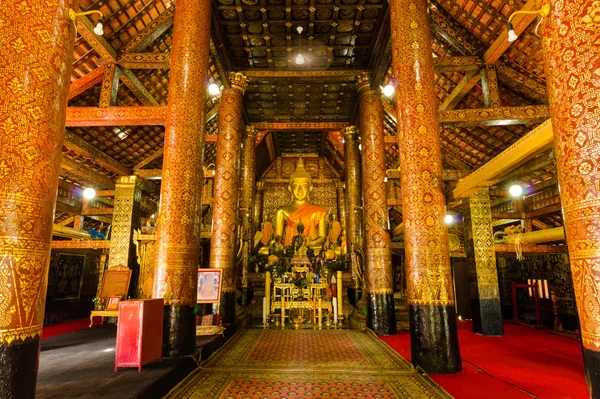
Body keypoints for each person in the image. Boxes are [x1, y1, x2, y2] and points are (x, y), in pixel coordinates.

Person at [274, 158, 327, 250]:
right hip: (290, 249)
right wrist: (277, 242)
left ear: (310, 188)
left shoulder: (318, 211)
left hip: (312, 250)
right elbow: (278, 234)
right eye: (295, 186)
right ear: (290, 188)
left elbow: (322, 237)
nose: (299, 190)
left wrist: (311, 243)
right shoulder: (282, 211)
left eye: (304, 186)